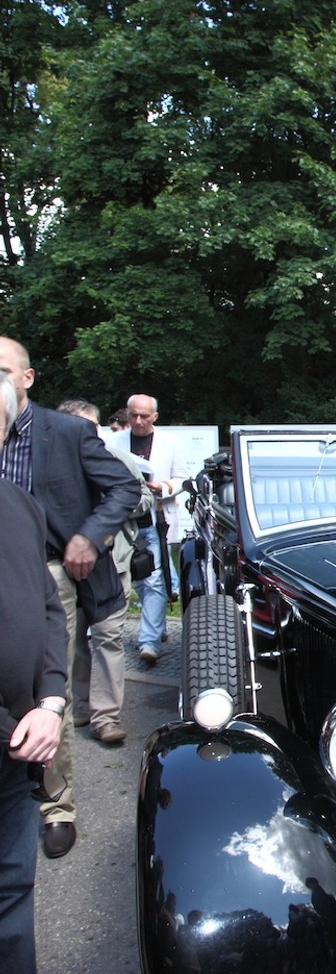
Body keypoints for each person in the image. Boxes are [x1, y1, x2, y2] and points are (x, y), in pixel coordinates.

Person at [0, 338, 141, 857]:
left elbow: (124, 491)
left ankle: (55, 803)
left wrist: (89, 535)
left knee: (43, 690)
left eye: (1, 371)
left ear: (27, 378)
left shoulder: (67, 432)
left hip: (47, 576)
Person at [0, 372, 98, 974]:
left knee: (10, 879)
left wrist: (53, 703)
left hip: (23, 726)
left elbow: (45, 609)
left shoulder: (19, 507)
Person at [60, 400, 153, 746]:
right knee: (70, 638)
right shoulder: (47, 464)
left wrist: (112, 508)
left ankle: (105, 717)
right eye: (85, 427)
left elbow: (144, 500)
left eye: (95, 426)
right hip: (64, 567)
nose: (93, 433)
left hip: (113, 563)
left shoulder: (117, 460)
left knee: (107, 637)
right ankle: (79, 705)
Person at [116, 393, 188, 667]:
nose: (137, 421)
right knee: (137, 580)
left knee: (156, 581)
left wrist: (165, 487)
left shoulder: (170, 443)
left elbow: (182, 478)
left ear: (154, 417)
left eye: (144, 416)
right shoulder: (115, 441)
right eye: (133, 415)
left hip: (156, 520)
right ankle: (156, 629)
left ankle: (149, 641)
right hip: (125, 524)